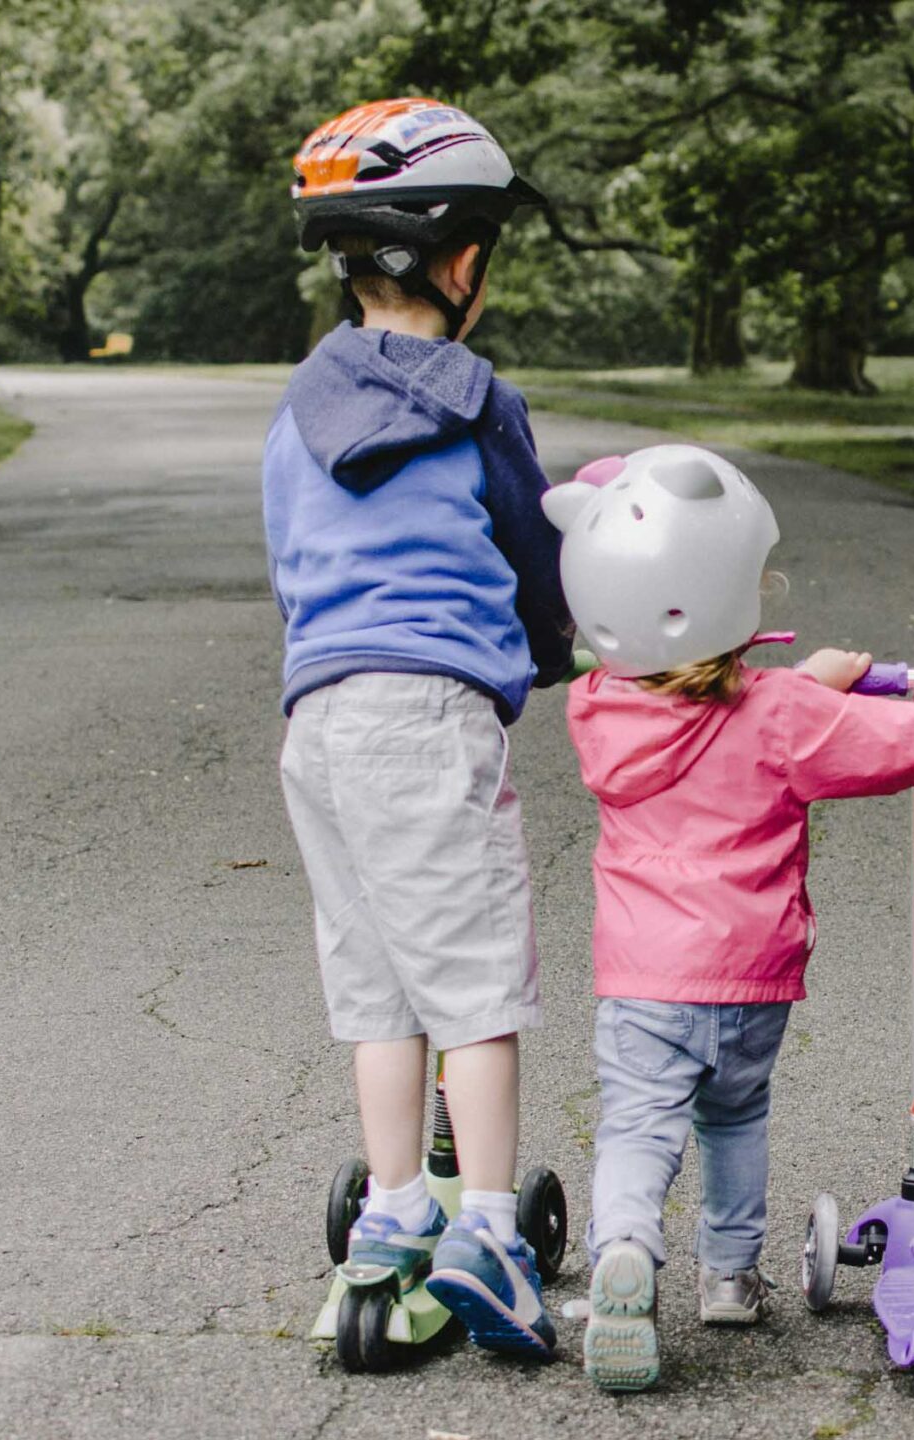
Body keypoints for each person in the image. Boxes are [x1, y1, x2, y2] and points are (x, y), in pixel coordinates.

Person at [541, 443, 914, 1391]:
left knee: (639, 1125)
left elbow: (705, 702)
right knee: (735, 1117)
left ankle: (625, 1252)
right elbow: (890, 745)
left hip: (643, 976)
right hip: (750, 975)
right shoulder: (780, 715)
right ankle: (728, 1278)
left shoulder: (600, 708)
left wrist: (808, 678)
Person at [264, 98, 571, 1358]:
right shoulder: (475, 399)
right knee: (475, 986)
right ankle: (490, 1229)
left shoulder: (296, 410)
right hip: (426, 717)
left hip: (320, 721)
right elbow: (534, 545)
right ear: (460, 264)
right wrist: (557, 653)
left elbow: (291, 561)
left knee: (377, 986)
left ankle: (392, 1213)